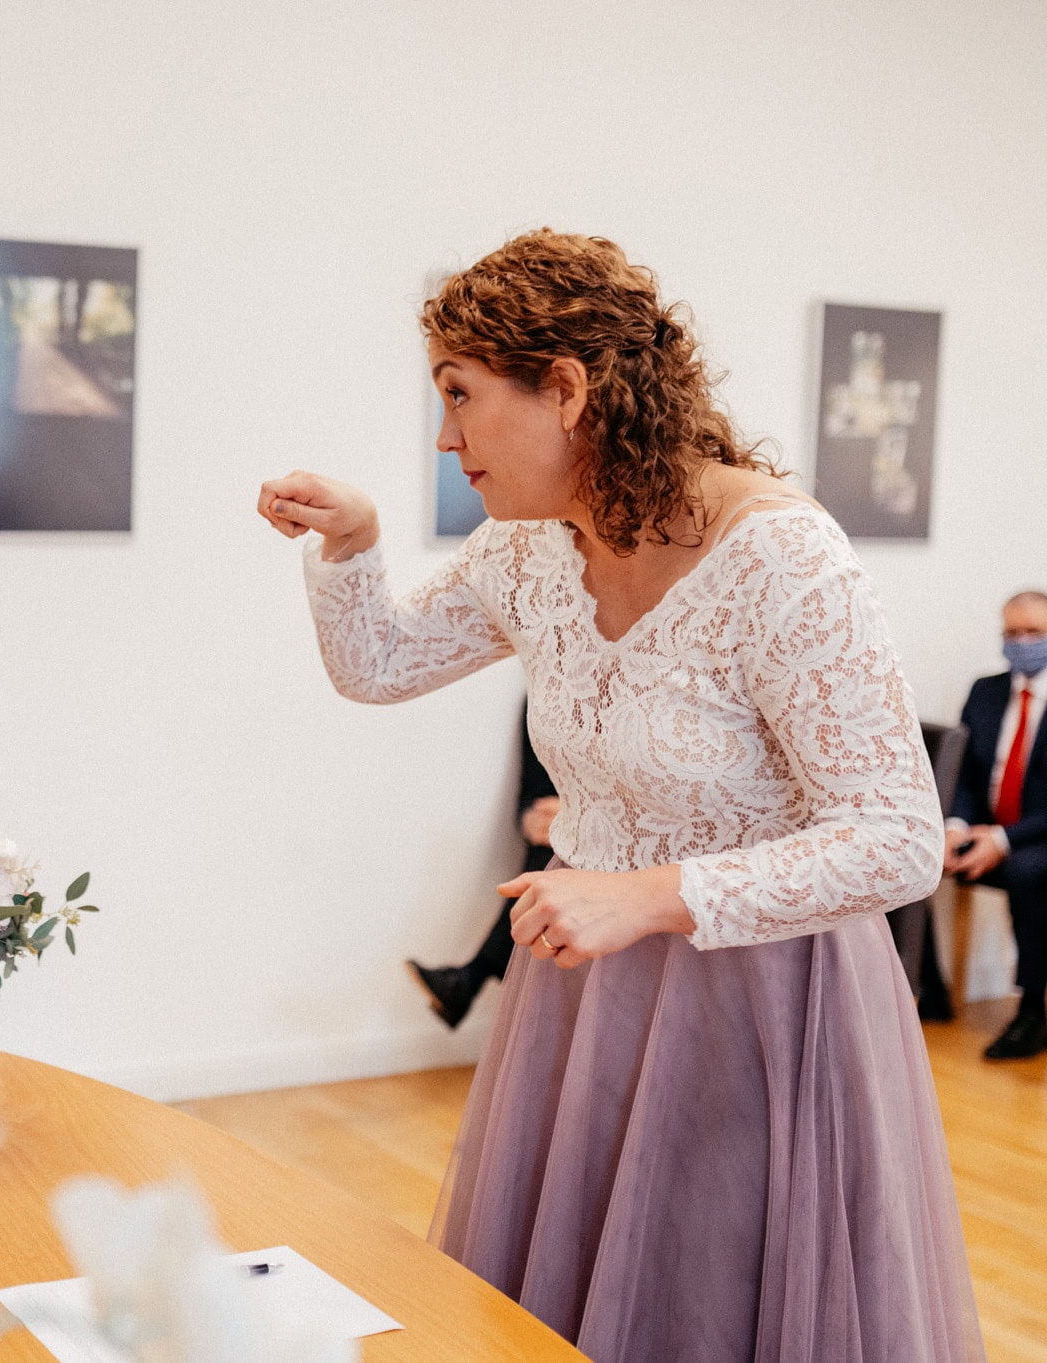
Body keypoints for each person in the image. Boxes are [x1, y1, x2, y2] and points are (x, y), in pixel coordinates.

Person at [258, 230, 981, 1361]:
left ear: (565, 388)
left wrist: (645, 896)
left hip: (764, 1005)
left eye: (459, 395)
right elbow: (381, 665)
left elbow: (897, 840)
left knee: (706, 1303)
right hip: (586, 995)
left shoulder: (781, 558)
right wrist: (354, 544)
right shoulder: (527, 550)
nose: (445, 436)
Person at [946, 592, 1047, 1059]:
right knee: (911, 855)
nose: (1022, 643)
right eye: (1012, 633)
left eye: (1034, 632)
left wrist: (1004, 839)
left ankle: (1032, 1014)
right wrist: (956, 826)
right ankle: (929, 988)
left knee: (1026, 870)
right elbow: (965, 775)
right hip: (987, 829)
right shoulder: (985, 691)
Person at [407, 704, 556, 1028]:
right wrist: (531, 820)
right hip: (557, 841)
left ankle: (470, 979)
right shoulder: (539, 700)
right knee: (549, 853)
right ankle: (471, 979)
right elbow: (530, 797)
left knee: (553, 859)